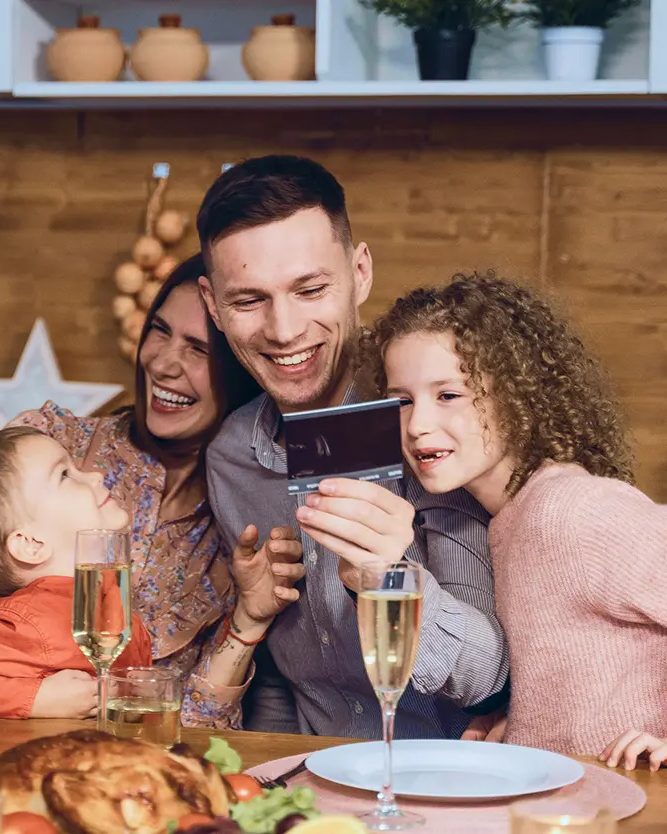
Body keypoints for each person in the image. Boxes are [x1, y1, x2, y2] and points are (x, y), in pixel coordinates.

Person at [0, 253, 304, 728]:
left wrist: (248, 620)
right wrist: (32, 696)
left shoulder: (244, 515)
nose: (164, 362)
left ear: (243, 371)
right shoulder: (49, 442)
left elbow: (194, 724)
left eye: (199, 349)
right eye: (160, 331)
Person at [196, 154, 509, 738]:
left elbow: (493, 675)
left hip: (446, 789)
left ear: (360, 272)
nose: (284, 329)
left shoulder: (436, 430)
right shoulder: (232, 456)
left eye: (310, 289)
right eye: (247, 301)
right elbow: (282, 681)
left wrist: (389, 577)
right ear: (213, 306)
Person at [361, 271, 667, 759]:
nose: (417, 425)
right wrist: (524, 714)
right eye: (402, 401)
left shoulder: (570, 511)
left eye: (448, 395)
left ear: (517, 395)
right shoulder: (507, 520)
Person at [0, 426, 153, 719]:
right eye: (64, 475)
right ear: (31, 544)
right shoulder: (29, 621)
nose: (96, 474)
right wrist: (37, 699)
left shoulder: (104, 601)